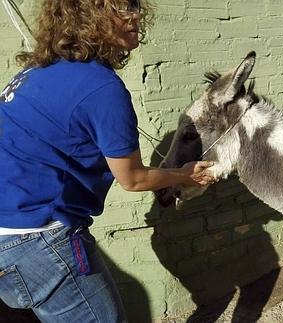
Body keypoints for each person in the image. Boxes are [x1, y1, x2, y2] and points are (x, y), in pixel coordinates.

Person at [0, 0, 214, 321]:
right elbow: (133, 179)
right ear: (87, 17)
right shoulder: (101, 87)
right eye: (122, 7)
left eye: (135, 5)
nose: (135, 15)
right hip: (42, 238)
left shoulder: (32, 74)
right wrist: (183, 175)